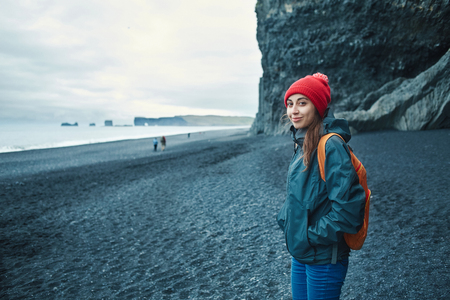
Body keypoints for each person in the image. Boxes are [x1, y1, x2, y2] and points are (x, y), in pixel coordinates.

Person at [277, 73, 365, 300]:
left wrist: (307, 235)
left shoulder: (331, 146)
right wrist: (286, 221)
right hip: (301, 253)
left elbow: (349, 212)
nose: (293, 110)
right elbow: (302, 196)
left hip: (324, 257)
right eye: (290, 103)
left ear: (317, 106)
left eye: (302, 103)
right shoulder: (302, 142)